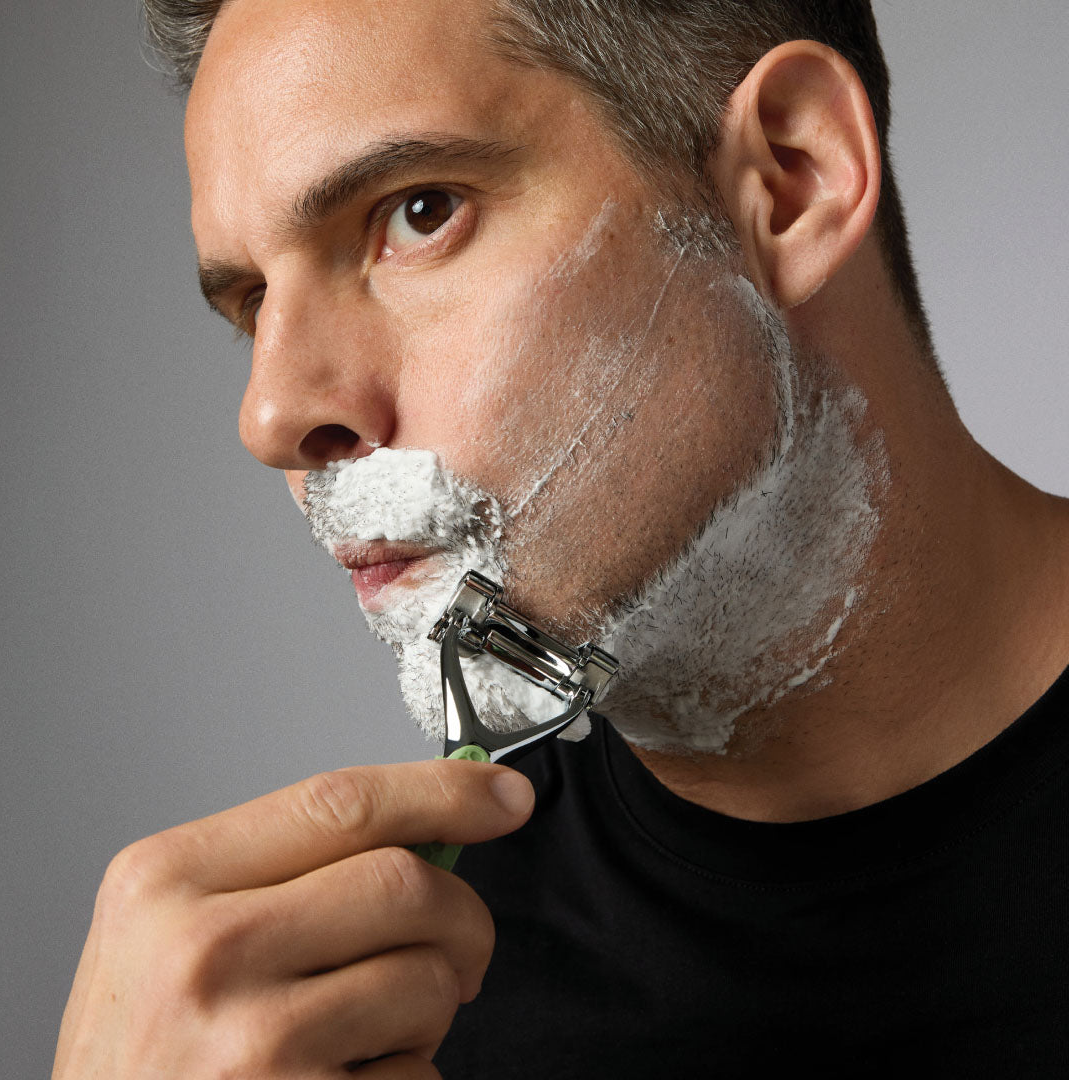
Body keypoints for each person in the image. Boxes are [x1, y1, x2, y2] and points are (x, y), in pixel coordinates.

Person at [53, 1, 1069, 1076]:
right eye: (254, 299)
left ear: (790, 177)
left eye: (417, 211)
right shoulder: (397, 1012)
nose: (272, 416)